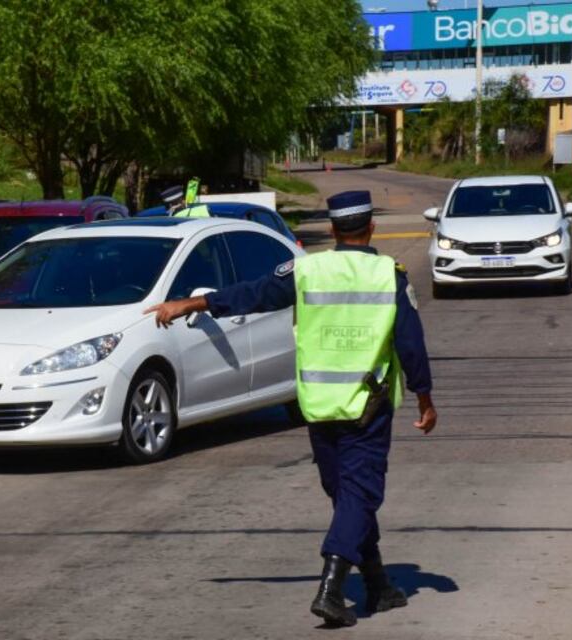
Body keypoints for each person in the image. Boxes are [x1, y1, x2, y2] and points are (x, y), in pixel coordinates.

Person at [145, 190, 437, 627]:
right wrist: (424, 397)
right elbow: (410, 343)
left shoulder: (306, 268)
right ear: (370, 228)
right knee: (357, 496)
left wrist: (192, 302)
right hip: (366, 406)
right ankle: (331, 590)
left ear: (335, 230)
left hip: (318, 407)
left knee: (348, 497)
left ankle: (378, 586)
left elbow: (255, 294)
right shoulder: (387, 276)